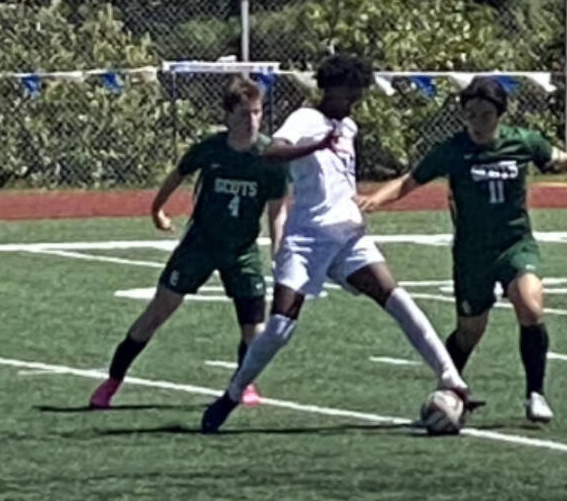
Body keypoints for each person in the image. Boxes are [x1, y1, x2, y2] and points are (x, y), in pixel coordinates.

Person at [200, 54, 477, 432]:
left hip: (348, 235)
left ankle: (453, 381)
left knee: (396, 298)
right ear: (332, 87)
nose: (355, 99)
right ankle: (232, 393)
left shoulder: (349, 126)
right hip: (307, 237)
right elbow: (271, 153)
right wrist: (313, 146)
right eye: (351, 91)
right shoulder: (305, 120)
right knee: (280, 326)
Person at [357, 78, 567, 422]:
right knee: (470, 331)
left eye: (485, 115)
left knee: (531, 306)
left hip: (515, 245)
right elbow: (410, 180)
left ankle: (535, 394)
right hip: (472, 255)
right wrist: (376, 199)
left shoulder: (522, 142)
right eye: (471, 115)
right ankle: (449, 388)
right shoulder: (454, 149)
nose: (477, 123)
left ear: (500, 114)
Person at [89, 78, 288, 408]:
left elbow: (277, 212)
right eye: (243, 114)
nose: (250, 121)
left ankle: (243, 384)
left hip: (241, 251)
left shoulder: (270, 157)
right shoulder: (211, 149)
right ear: (227, 116)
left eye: (255, 113)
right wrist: (157, 208)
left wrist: (280, 253)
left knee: (254, 326)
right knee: (158, 311)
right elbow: (179, 173)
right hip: (201, 244)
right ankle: (112, 380)